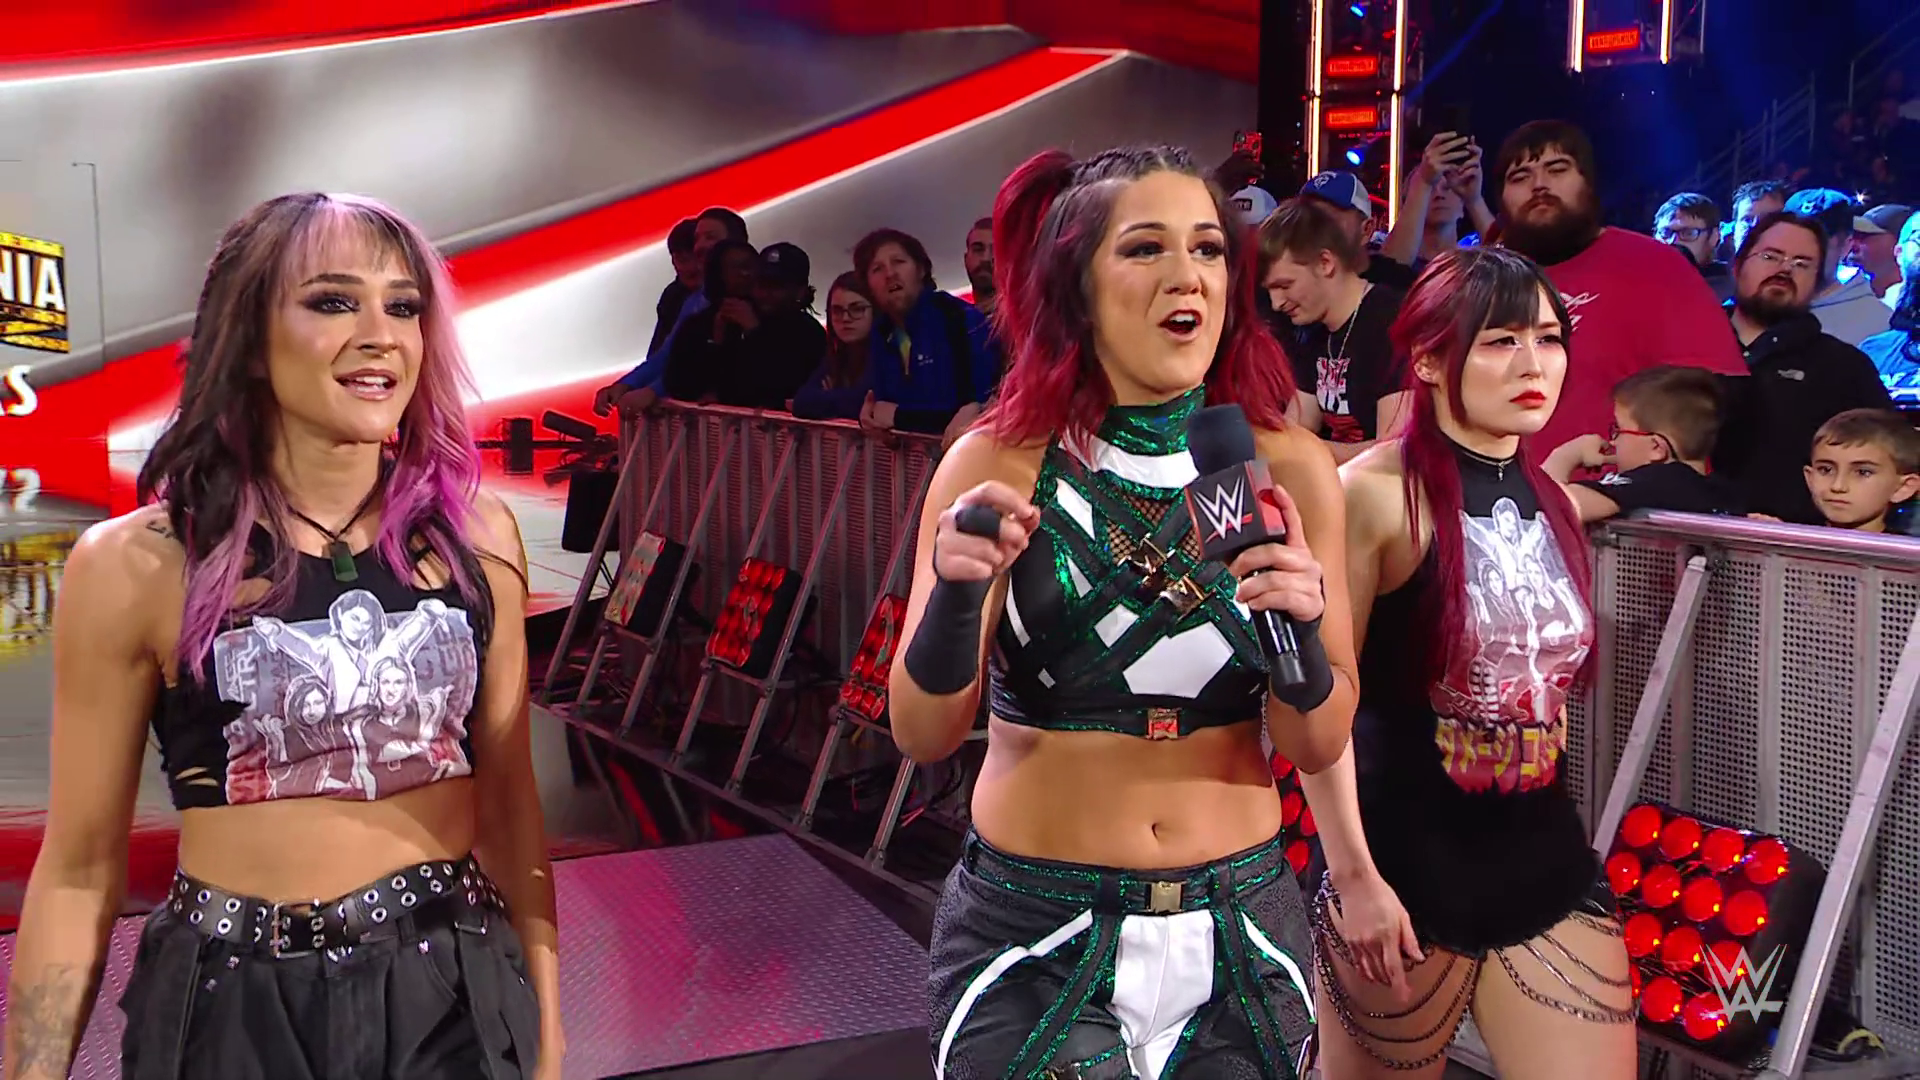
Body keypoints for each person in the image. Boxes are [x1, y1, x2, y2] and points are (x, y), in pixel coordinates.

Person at [3, 193, 560, 1079]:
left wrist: (546, 1038)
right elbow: (78, 870)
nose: (381, 335)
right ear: (252, 338)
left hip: (449, 992)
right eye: (334, 301)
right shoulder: (137, 564)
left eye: (403, 306)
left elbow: (512, 810)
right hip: (229, 1011)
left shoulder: (478, 536)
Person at [899, 145, 1358, 1079]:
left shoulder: (1285, 467)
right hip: (1035, 933)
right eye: (1146, 248)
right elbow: (922, 733)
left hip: (1243, 935)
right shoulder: (998, 463)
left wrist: (1300, 633)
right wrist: (956, 596)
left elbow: (1316, 743)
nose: (1188, 275)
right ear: (1075, 284)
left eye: (1208, 248)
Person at [1312, 248, 1635, 1079]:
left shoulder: (1555, 501)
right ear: (1428, 359)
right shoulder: (1371, 493)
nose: (1534, 364)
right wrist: (1354, 877)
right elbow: (1319, 708)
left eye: (1549, 338)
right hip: (1401, 870)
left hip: (1544, 865)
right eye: (1499, 341)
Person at [1489, 120, 1743, 453]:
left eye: (1557, 169)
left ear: (1589, 183)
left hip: (1622, 482)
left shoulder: (1654, 264)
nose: (1539, 185)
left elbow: (1709, 398)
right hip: (1496, 481)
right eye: (1520, 176)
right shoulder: (1483, 280)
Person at [1712, 211, 1895, 524]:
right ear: (1738, 265)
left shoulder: (1845, 367)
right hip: (1679, 535)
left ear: (1818, 282)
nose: (1785, 269)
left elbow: (1888, 461)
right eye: (1770, 256)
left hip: (1794, 545)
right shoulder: (1687, 348)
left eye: (1802, 263)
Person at [1260, 197, 1412, 462]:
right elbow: (1294, 428)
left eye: (1284, 286)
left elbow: (1394, 452)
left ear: (1325, 263)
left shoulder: (1391, 320)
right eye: (1270, 290)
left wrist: (1304, 450)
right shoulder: (1314, 332)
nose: (1276, 303)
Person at [853, 227, 1000, 444]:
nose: (890, 274)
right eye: (877, 269)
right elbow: (874, 404)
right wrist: (868, 416)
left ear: (921, 270)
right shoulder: (880, 334)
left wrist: (899, 417)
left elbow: (976, 412)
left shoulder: (959, 319)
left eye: (898, 262)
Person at [1544, 365, 1743, 521]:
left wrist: (1566, 456)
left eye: (1618, 429)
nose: (1613, 441)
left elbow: (1550, 510)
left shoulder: (1660, 480)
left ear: (1656, 448)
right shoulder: (1725, 493)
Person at [663, 241, 823, 409]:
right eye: (761, 283)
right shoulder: (729, 319)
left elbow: (781, 387)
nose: (765, 293)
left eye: (776, 286)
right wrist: (716, 342)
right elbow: (678, 384)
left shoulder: (809, 333)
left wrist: (755, 333)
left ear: (800, 291)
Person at [1803, 409, 1920, 532]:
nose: (1838, 486)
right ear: (1810, 478)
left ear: (1902, 488)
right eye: (1825, 470)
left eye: (1863, 472)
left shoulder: (1906, 545)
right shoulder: (1793, 537)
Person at [792, 271, 878, 420]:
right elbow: (801, 402)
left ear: (876, 310)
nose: (845, 318)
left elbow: (863, 402)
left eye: (857, 309)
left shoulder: (888, 355)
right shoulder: (836, 356)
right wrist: (841, 399)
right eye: (837, 311)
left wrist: (829, 396)